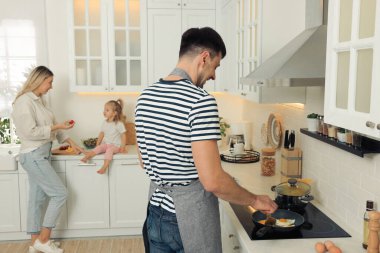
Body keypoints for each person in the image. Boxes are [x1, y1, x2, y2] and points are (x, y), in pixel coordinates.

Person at [135, 27, 278, 253]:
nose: (214, 76)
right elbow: (212, 182)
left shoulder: (146, 96)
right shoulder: (199, 102)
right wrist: (255, 200)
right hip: (188, 219)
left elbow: (144, 161)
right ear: (204, 57)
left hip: (156, 214)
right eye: (216, 66)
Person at [12, 66, 82, 253]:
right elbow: (30, 132)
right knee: (60, 194)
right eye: (49, 82)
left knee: (36, 199)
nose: (51, 86)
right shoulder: (23, 102)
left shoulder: (39, 101)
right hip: (33, 154)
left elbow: (54, 129)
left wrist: (71, 142)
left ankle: (35, 243)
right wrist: (57, 126)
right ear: (39, 80)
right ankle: (44, 239)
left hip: (41, 154)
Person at [80, 99, 127, 174]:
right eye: (104, 110)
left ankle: (104, 167)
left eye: (107, 110)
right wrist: (97, 144)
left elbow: (123, 135)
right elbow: (101, 133)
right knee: (99, 148)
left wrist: (123, 147)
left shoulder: (118, 123)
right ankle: (87, 157)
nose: (104, 112)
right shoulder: (105, 122)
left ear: (114, 113)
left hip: (116, 146)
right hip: (106, 144)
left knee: (109, 151)